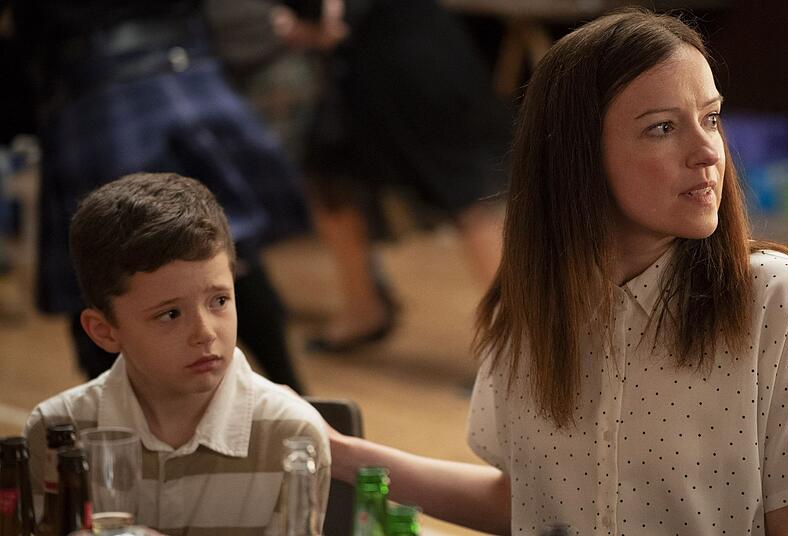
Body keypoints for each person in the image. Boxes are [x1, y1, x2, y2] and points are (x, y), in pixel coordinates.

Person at [326, 8, 788, 535]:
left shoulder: (775, 297)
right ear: (578, 154)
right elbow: (528, 501)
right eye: (663, 128)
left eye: (711, 118)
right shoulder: (532, 304)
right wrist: (339, 452)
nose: (708, 152)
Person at [4, 0, 309, 392]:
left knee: (106, 275)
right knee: (227, 255)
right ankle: (301, 402)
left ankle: (118, 424)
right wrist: (312, 13)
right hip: (189, 77)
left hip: (98, 90)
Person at [23, 173, 331, 534]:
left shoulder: (293, 437)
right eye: (170, 314)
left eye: (219, 301)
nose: (205, 333)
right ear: (104, 331)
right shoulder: (55, 433)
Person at [271, 0, 509, 352]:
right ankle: (363, 309)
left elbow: (332, 23)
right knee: (328, 176)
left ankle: (519, 337)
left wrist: (309, 26)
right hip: (375, 62)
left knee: (466, 194)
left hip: (406, 59)